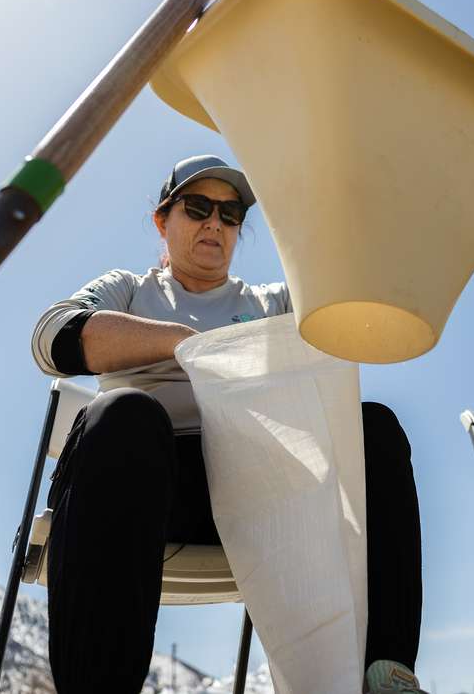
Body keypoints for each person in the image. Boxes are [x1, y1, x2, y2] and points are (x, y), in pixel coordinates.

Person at [31, 154, 426, 694]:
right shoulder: (128, 289)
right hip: (142, 483)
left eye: (231, 213)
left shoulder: (269, 304)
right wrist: (182, 343)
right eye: (197, 208)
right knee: (125, 414)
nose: (215, 223)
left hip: (255, 487)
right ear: (162, 221)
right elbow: (54, 338)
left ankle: (387, 674)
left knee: (375, 426)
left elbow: (356, 307)